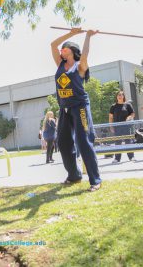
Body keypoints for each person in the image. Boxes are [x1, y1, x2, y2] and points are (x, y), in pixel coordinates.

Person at [51, 27, 102, 192]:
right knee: (63, 143)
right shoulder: (60, 64)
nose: (60, 50)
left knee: (83, 141)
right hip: (64, 108)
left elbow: (85, 54)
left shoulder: (80, 66)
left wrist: (88, 36)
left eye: (64, 48)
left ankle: (95, 180)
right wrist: (72, 33)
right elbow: (53, 44)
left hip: (79, 107)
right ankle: (74, 175)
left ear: (71, 50)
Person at [109, 90, 135, 163]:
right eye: (118, 95)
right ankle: (117, 158)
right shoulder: (113, 106)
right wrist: (111, 127)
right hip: (117, 127)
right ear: (116, 97)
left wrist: (129, 117)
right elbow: (110, 117)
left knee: (128, 142)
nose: (120, 96)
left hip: (127, 127)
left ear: (123, 96)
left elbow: (133, 114)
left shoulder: (128, 105)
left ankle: (131, 157)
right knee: (117, 142)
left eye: (121, 95)